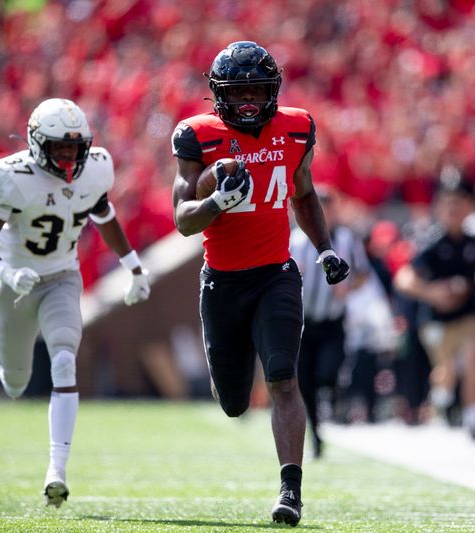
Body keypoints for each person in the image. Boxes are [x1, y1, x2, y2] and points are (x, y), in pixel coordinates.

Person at [171, 41, 350, 527]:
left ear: (273, 90)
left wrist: (325, 249)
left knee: (282, 378)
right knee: (232, 402)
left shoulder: (296, 128)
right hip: (223, 282)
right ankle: (230, 375)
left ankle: (290, 490)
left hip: (276, 273)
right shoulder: (197, 136)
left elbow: (306, 195)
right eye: (239, 91)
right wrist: (215, 202)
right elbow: (183, 220)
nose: (249, 100)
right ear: (218, 95)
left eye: (257, 89)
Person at [0, 98, 150, 507]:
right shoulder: (13, 177)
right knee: (14, 382)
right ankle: (14, 379)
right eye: (59, 148)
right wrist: (8, 273)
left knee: (65, 359)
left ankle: (57, 470)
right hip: (16, 285)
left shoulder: (95, 170)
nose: (69, 156)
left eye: (75, 147)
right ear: (37, 144)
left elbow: (105, 217)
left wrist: (134, 267)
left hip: (63, 278)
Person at [394, 176, 475, 440]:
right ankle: (440, 400)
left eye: (458, 204)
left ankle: (474, 417)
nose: (453, 210)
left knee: (473, 359)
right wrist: (433, 292)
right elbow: (404, 278)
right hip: (436, 320)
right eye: (448, 204)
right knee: (446, 370)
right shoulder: (431, 242)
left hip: (468, 315)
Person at [289, 187, 370, 457]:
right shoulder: (297, 239)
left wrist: (347, 287)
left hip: (333, 321)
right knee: (305, 383)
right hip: (304, 322)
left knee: (327, 373)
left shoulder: (346, 239)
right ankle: (315, 434)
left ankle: (333, 401)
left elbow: (362, 274)